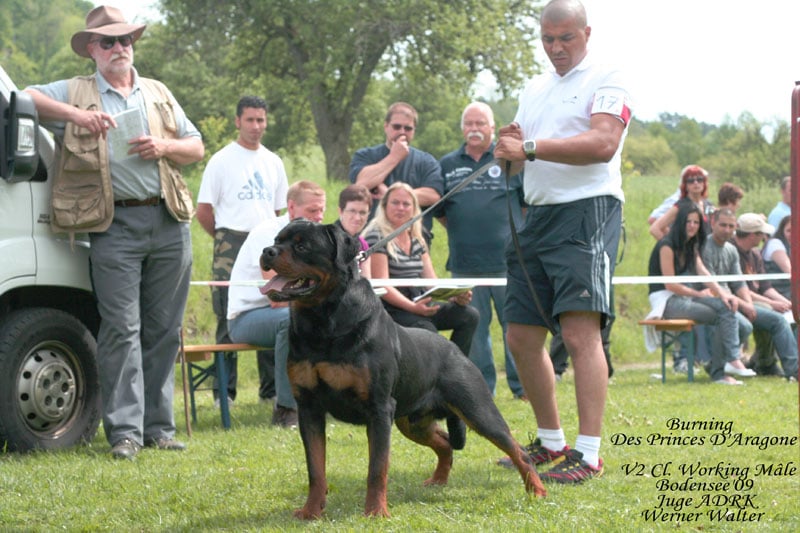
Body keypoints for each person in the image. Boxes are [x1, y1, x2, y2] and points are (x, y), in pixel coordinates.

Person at [24, 5, 204, 459]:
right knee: (121, 328)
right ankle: (125, 433)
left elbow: (196, 146)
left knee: (164, 330)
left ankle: (158, 429)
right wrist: (77, 116)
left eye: (125, 39)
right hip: (113, 225)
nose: (119, 47)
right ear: (92, 49)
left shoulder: (158, 91)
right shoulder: (76, 91)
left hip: (169, 221)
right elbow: (23, 97)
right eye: (108, 42)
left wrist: (163, 146)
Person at [492, 0, 631, 483]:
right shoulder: (534, 87)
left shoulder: (608, 78)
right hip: (537, 214)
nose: (556, 48)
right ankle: (551, 442)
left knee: (578, 333)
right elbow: (517, 161)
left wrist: (528, 147)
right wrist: (508, 149)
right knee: (520, 334)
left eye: (565, 38)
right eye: (548, 39)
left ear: (586, 34)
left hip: (587, 211)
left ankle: (588, 454)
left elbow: (603, 144)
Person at [196, 95, 288, 407]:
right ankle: (225, 393)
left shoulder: (273, 162)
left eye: (261, 120)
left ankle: (270, 390)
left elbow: (278, 211)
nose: (256, 126)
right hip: (230, 242)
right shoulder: (221, 160)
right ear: (238, 121)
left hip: (267, 244)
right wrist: (223, 239)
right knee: (227, 315)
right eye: (250, 119)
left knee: (272, 307)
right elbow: (204, 211)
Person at [431, 101, 525, 399]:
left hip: (509, 264)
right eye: (469, 124)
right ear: (462, 129)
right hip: (466, 265)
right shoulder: (447, 164)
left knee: (518, 327)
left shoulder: (508, 159)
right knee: (476, 331)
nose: (474, 129)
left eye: (480, 123)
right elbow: (442, 212)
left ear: (492, 128)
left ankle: (523, 387)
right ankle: (483, 389)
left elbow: (525, 205)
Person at [227, 181, 327, 428]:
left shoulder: (315, 239)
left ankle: (327, 402)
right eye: (312, 210)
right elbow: (276, 296)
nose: (319, 216)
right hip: (246, 317)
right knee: (291, 321)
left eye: (321, 210)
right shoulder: (268, 234)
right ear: (291, 207)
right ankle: (286, 410)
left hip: (290, 310)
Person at [362, 182, 479, 357]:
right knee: (427, 329)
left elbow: (430, 280)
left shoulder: (416, 237)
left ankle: (457, 365)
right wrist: (412, 307)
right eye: (395, 203)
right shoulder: (376, 236)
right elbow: (383, 285)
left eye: (406, 204)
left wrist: (453, 296)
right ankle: (436, 370)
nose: (400, 208)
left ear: (414, 209)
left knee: (469, 315)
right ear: (385, 206)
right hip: (392, 307)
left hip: (419, 301)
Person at [647, 204, 744, 385]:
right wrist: (698, 293)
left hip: (685, 297)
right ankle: (725, 366)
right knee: (722, 314)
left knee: (725, 307)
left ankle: (727, 364)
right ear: (679, 222)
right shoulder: (666, 245)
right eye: (688, 221)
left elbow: (703, 272)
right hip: (666, 301)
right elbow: (670, 284)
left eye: (696, 222)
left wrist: (723, 294)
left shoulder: (691, 246)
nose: (692, 226)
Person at [349, 102, 443, 242]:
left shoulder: (427, 161)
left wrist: (388, 195)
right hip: (370, 241)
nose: (402, 132)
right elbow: (361, 184)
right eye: (397, 127)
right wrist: (394, 156)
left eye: (408, 128)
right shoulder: (365, 156)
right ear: (386, 126)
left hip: (414, 242)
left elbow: (433, 195)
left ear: (414, 130)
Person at [733, 213, 798, 381]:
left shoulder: (755, 254)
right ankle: (794, 369)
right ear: (752, 235)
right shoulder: (733, 253)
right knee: (777, 320)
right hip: (738, 302)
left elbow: (765, 287)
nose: (764, 237)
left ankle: (764, 361)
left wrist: (788, 303)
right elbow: (740, 289)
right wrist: (772, 303)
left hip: (755, 300)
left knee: (785, 313)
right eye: (761, 233)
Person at [699, 208, 756, 377]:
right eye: (723, 225)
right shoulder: (705, 247)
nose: (727, 230)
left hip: (730, 300)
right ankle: (729, 361)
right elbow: (711, 286)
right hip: (707, 297)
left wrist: (749, 304)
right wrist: (744, 305)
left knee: (749, 325)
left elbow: (739, 282)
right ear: (713, 223)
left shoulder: (731, 250)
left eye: (731, 226)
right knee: (742, 325)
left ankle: (717, 364)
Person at [650, 165, 714, 239]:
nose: (696, 183)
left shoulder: (708, 204)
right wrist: (669, 244)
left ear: (704, 183)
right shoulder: (681, 206)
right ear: (685, 185)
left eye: (700, 179)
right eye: (691, 181)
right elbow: (655, 229)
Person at [335, 183, 372, 277]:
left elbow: (366, 279)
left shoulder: (363, 245)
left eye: (362, 212)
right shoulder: (327, 240)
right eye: (352, 211)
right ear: (340, 211)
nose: (357, 218)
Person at [762, 215, 792, 300]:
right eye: (789, 231)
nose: (793, 234)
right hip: (779, 292)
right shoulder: (775, 244)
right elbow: (790, 271)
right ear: (782, 231)